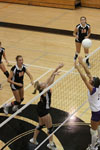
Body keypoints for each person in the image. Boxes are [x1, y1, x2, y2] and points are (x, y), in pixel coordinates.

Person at [30, 63, 64, 150]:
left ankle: (33, 139)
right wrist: (54, 74)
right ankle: (51, 144)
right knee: (50, 128)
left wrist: (57, 69)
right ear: (41, 88)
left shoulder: (44, 88)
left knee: (41, 125)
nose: (43, 83)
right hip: (44, 110)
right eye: (42, 83)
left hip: (40, 108)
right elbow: (50, 81)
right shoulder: (44, 91)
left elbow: (49, 80)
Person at [74, 56, 100, 150]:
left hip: (96, 112)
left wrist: (78, 68)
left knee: (93, 131)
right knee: (99, 126)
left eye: (92, 80)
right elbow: (88, 74)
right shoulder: (97, 86)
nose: (90, 79)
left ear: (93, 84)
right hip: (99, 109)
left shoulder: (92, 90)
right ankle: (99, 141)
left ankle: (93, 147)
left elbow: (84, 78)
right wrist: (82, 64)